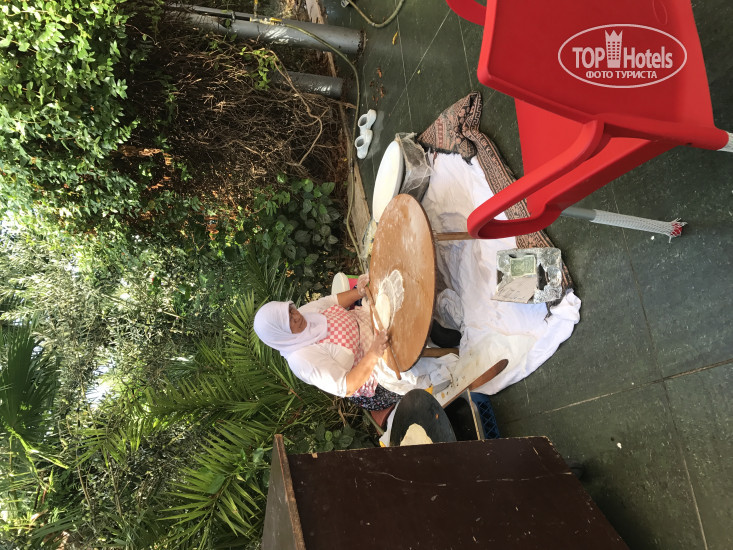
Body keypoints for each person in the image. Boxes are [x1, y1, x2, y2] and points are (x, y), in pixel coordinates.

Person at [253, 274, 403, 410]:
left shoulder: (304, 313)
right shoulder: (302, 360)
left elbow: (332, 301)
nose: (297, 316)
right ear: (281, 335)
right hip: (375, 375)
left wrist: (359, 292)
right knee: (409, 353)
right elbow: (348, 386)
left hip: (371, 325)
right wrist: (374, 353)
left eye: (291, 310)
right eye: (289, 322)